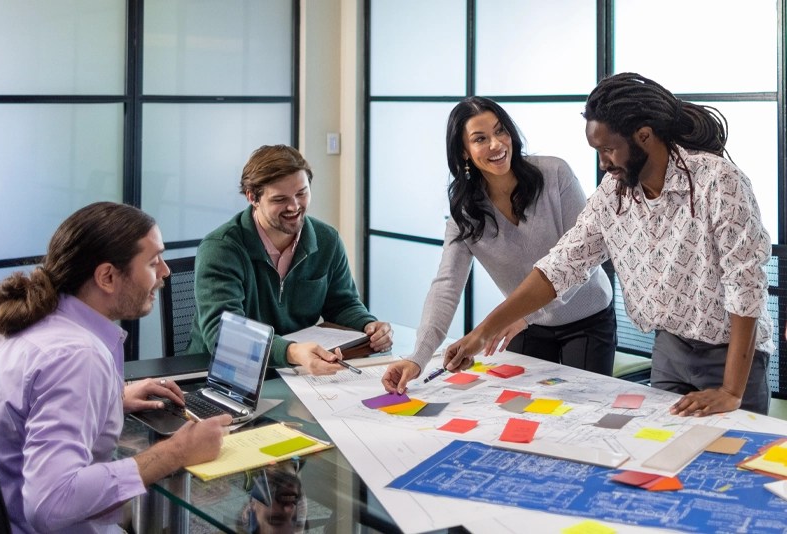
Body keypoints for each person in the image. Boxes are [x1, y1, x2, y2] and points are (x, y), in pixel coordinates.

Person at [444, 73, 773, 417]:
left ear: (643, 136)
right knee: (662, 453)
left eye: (608, 149)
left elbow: (744, 284)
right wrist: (483, 332)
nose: (603, 163)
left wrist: (731, 390)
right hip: (669, 351)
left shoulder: (717, 181)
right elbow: (561, 266)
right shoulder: (613, 192)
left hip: (731, 355)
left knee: (732, 462)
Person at [0, 202, 231, 533]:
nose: (165, 272)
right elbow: (51, 502)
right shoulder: (76, 356)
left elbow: (21, 411)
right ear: (107, 276)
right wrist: (175, 452)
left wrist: (109, 399)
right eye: (152, 261)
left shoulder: (16, 321)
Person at [382, 97, 616, 394]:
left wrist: (518, 317)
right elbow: (446, 285)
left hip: (586, 319)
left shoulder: (555, 174)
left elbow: (584, 258)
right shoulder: (465, 212)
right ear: (464, 152)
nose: (496, 144)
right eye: (480, 139)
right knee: (522, 409)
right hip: (525, 324)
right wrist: (418, 358)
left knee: (581, 407)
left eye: (500, 131)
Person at [188, 144, 392, 375]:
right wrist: (292, 352)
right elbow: (224, 335)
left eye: (301, 193)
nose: (294, 206)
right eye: (280, 199)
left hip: (295, 372)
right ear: (253, 197)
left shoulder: (327, 239)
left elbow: (342, 303)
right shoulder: (222, 249)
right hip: (221, 373)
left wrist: (368, 325)